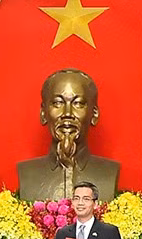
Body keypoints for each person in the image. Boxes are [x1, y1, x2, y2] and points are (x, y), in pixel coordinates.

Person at [14, 68, 122, 203]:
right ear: (43, 113)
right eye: (58, 103)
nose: (67, 113)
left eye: (78, 103)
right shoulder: (27, 172)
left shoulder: (109, 171)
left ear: (94, 114)